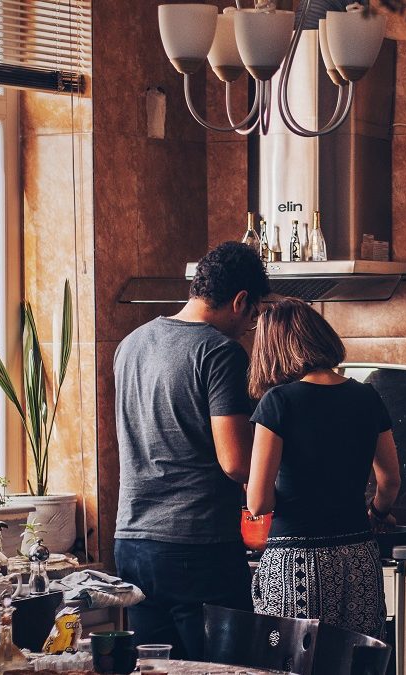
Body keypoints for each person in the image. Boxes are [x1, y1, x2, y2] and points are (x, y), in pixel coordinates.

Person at [112, 241, 270, 658]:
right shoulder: (220, 352)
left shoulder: (130, 344)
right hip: (196, 547)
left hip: (132, 542)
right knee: (228, 669)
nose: (249, 326)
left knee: (157, 667)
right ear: (240, 301)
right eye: (253, 315)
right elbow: (236, 463)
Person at [245, 298, 401, 637]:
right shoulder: (367, 397)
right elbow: (390, 480)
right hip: (359, 555)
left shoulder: (278, 402)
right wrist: (377, 512)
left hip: (296, 561)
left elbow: (258, 503)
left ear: (273, 349)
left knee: (293, 659)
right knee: (357, 657)